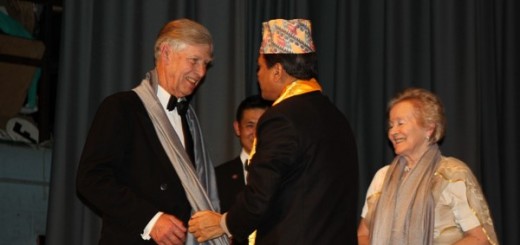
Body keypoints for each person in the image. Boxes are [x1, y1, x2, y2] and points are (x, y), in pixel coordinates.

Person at [188, 18, 359, 244]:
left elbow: (259, 198)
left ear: (277, 71)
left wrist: (222, 224)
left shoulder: (282, 118)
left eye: (260, 67)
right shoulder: (336, 117)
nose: (258, 75)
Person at [76, 19, 227, 245]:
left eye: (206, 64)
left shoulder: (190, 120)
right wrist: (151, 219)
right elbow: (91, 179)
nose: (201, 72)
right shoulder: (122, 107)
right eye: (194, 61)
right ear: (166, 53)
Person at [357, 88, 499, 245]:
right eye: (391, 125)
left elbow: (480, 238)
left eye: (400, 123)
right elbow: (363, 233)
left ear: (429, 129)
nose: (393, 131)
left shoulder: (452, 174)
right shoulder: (382, 177)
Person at [215, 95, 271, 245]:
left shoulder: (284, 174)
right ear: (237, 128)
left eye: (262, 125)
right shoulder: (217, 177)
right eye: (250, 125)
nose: (256, 133)